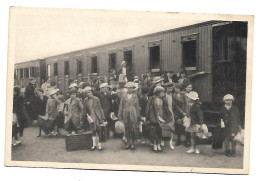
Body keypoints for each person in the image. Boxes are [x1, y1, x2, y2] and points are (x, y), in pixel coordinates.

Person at [81, 86, 105, 151]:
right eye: (86, 93)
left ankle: (99, 145)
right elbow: (84, 110)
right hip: (90, 117)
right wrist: (84, 117)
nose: (88, 94)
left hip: (97, 116)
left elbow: (100, 108)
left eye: (89, 92)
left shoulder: (96, 99)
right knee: (93, 130)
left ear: (91, 92)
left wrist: (102, 118)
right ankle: (94, 145)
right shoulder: (85, 101)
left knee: (99, 130)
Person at [118, 82, 140, 150]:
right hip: (125, 113)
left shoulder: (135, 96)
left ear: (133, 88)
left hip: (133, 113)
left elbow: (137, 106)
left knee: (132, 128)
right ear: (126, 88)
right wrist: (120, 115)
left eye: (131, 88)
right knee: (127, 128)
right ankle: (128, 143)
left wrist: (138, 115)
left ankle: (132, 143)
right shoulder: (124, 96)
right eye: (128, 88)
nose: (129, 89)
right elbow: (121, 106)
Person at [146, 86, 166, 153]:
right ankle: (154, 145)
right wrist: (148, 117)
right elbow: (149, 109)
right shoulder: (152, 99)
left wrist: (161, 117)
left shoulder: (162, 100)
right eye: (162, 92)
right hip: (153, 117)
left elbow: (162, 109)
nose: (163, 94)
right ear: (158, 93)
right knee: (154, 132)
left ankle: (158, 145)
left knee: (159, 132)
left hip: (160, 117)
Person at [163, 82, 175, 150]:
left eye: (171, 88)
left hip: (171, 113)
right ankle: (162, 140)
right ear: (166, 88)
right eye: (169, 88)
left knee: (172, 128)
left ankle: (171, 142)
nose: (170, 89)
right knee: (163, 127)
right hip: (164, 114)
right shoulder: (164, 95)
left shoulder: (172, 95)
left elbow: (174, 105)